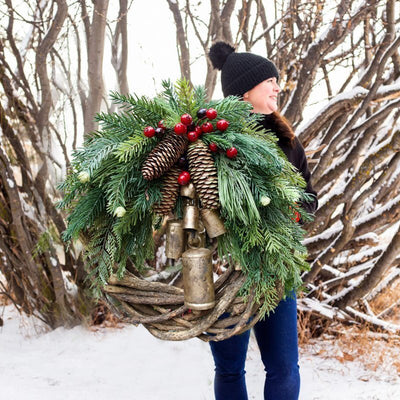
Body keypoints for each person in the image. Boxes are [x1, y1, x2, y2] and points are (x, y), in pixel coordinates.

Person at [207, 42, 318, 400]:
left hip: (276, 271)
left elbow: (309, 199)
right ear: (246, 88)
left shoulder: (287, 140)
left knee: (284, 368)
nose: (277, 87)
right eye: (270, 80)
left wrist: (289, 214)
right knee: (228, 369)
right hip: (223, 273)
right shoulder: (212, 140)